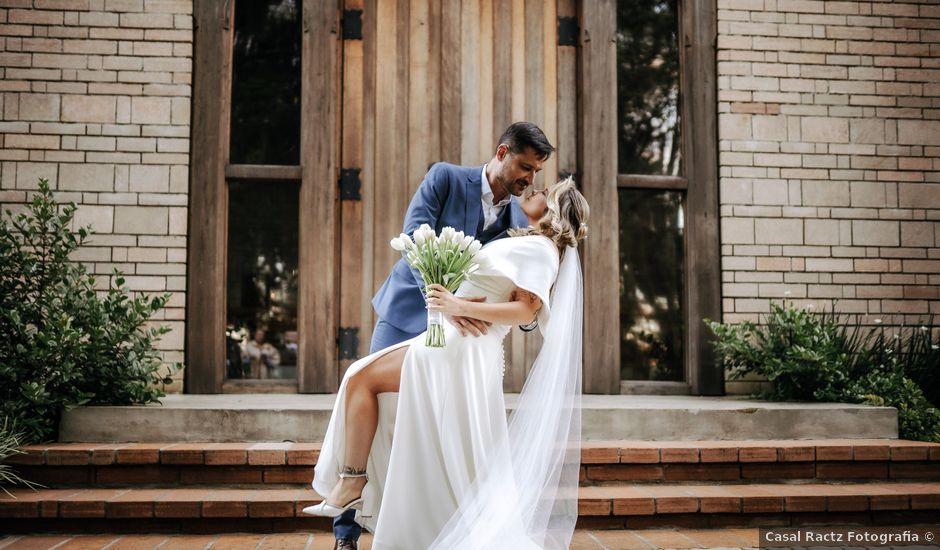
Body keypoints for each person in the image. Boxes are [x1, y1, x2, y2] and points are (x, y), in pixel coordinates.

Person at [304, 177, 589, 550]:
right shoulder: (528, 242)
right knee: (416, 424)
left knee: (360, 378)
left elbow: (527, 308)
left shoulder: (542, 250)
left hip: (461, 349)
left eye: (543, 193)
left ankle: (353, 483)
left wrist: (458, 306)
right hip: (453, 344)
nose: (533, 192)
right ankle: (370, 493)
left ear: (552, 209)